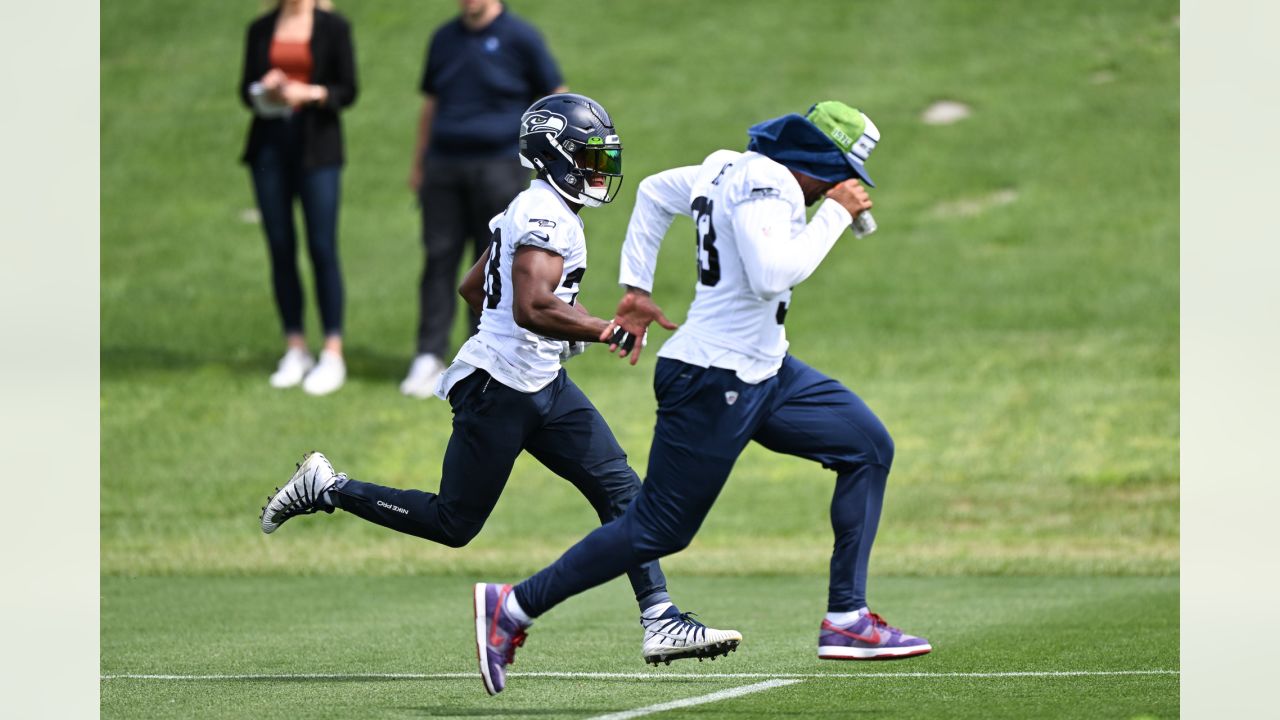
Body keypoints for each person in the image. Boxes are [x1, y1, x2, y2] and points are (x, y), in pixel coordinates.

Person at [260, 94, 740, 695]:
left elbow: (474, 287)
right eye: (589, 157)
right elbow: (530, 303)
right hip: (500, 389)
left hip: (540, 381)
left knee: (622, 490)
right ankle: (327, 487)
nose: (598, 169)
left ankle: (660, 618)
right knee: (454, 522)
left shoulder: (536, 207)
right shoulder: (546, 213)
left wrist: (552, 330)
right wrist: (597, 327)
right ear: (555, 154)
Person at [473, 101, 932, 694]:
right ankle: (513, 606)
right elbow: (773, 273)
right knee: (659, 528)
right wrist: (836, 217)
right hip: (714, 379)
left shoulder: (726, 166)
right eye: (839, 172)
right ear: (817, 157)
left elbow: (653, 192)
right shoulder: (772, 184)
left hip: (768, 370)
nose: (837, 187)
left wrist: (637, 287)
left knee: (867, 446)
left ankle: (846, 619)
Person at [400, 0, 568, 398]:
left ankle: (482, 353)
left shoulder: (521, 37)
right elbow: (432, 104)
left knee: (492, 260)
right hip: (443, 166)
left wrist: (549, 158)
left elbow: (556, 95)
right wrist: (419, 163)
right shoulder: (444, 38)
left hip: (500, 165)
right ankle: (428, 355)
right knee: (439, 257)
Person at [239, 0, 357, 395]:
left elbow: (348, 89)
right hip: (270, 148)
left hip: (318, 149)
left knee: (322, 246)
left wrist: (311, 92)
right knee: (280, 246)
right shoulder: (261, 28)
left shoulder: (333, 27)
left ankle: (332, 349)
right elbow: (244, 90)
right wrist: (268, 88)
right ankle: (295, 346)